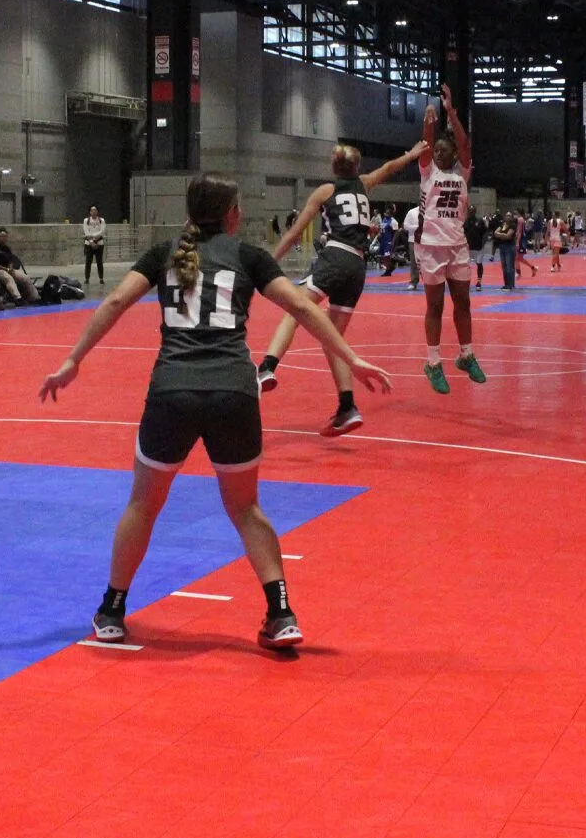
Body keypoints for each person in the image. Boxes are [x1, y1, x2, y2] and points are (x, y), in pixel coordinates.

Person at [39, 173, 392, 650]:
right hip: (234, 394)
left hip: (173, 392)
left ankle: (112, 610)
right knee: (246, 508)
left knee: (143, 505)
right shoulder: (249, 256)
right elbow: (304, 309)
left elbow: (118, 300)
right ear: (232, 215)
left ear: (190, 212)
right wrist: (351, 358)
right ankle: (281, 613)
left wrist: (73, 360)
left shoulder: (163, 253)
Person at [257, 140, 425, 434]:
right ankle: (347, 406)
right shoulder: (364, 184)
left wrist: (270, 262)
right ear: (357, 166)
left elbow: (296, 232)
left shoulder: (326, 191)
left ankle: (267, 367)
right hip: (357, 267)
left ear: (333, 167)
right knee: (332, 339)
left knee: (295, 309)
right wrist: (411, 155)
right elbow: (389, 168)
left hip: (336, 256)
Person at [418, 84, 485, 393]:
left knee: (463, 302)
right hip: (431, 247)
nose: (439, 153)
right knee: (435, 306)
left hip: (457, 245)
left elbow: (465, 143)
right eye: (437, 151)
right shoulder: (428, 172)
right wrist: (429, 122)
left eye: (444, 150)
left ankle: (466, 355)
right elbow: (426, 144)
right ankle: (433, 362)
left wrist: (451, 112)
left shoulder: (462, 174)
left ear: (454, 154)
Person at [0, 228, 40, 304]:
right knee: (9, 278)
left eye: (5, 236)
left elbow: (10, 260)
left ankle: (35, 297)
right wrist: (5, 269)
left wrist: (10, 267)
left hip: (8, 269)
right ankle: (17, 298)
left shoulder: (7, 248)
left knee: (25, 278)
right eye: (2, 236)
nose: (4, 238)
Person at [463, 205, 488, 291]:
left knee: (479, 263)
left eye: (472, 210)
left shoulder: (480, 221)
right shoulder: (465, 221)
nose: (471, 212)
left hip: (478, 247)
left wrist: (483, 242)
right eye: (470, 210)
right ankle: (466, 282)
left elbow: (485, 233)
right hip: (468, 248)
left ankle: (479, 282)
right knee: (466, 266)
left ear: (475, 211)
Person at [493, 211, 517, 290]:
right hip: (502, 247)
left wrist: (500, 235)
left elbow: (508, 236)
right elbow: (495, 233)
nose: (508, 217)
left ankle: (510, 285)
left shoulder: (513, 226)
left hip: (509, 247)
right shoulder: (502, 224)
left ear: (512, 218)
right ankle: (506, 284)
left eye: (509, 216)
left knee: (509, 266)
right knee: (504, 267)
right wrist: (503, 235)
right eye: (507, 215)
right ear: (504, 217)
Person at [83, 205, 106, 285]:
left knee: (99, 261)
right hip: (89, 244)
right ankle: (87, 278)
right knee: (88, 262)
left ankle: (101, 278)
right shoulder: (86, 220)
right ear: (90, 212)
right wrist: (91, 242)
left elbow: (102, 231)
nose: (94, 212)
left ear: (97, 211)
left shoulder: (101, 220)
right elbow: (86, 231)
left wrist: (93, 237)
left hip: (99, 243)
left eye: (95, 210)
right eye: (92, 210)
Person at [402, 203, 421, 289]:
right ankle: (413, 282)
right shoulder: (412, 212)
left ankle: (431, 283)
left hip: (428, 241)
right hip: (413, 240)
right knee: (414, 263)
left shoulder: (430, 212)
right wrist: (417, 227)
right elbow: (406, 226)